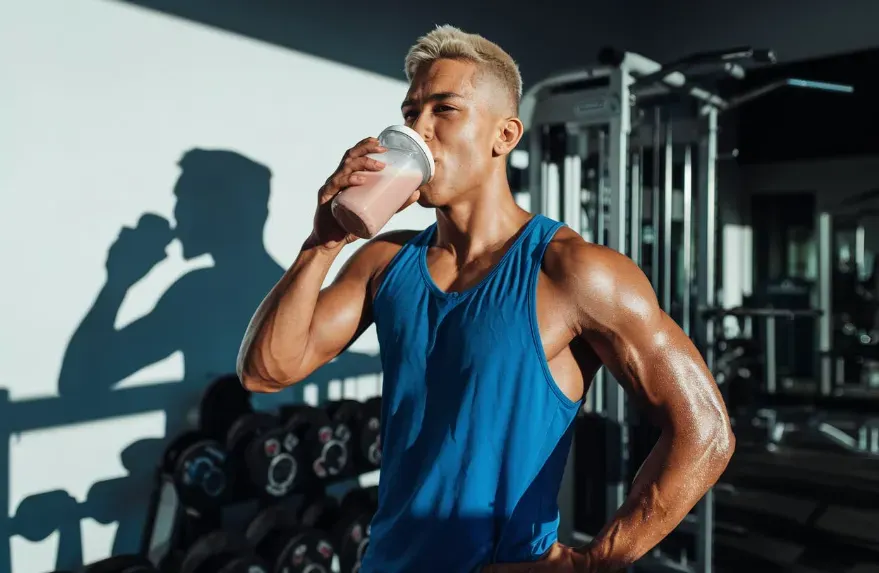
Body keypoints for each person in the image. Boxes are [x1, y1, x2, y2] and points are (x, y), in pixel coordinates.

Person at [237, 25, 735, 573]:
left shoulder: (573, 272)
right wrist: (323, 243)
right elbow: (266, 371)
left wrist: (593, 563)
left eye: (443, 109)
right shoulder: (384, 263)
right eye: (410, 114)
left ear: (505, 135)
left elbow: (705, 432)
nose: (417, 131)